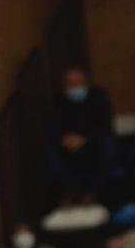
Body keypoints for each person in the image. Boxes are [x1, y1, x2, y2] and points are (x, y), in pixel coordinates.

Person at [46, 67, 116, 203]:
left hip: (93, 144)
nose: (76, 87)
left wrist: (86, 140)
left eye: (80, 83)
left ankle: (93, 193)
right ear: (65, 87)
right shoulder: (59, 101)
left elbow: (106, 127)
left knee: (108, 146)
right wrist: (64, 139)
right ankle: (71, 192)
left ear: (87, 84)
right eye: (71, 84)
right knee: (49, 150)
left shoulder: (99, 97)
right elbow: (52, 127)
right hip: (68, 147)